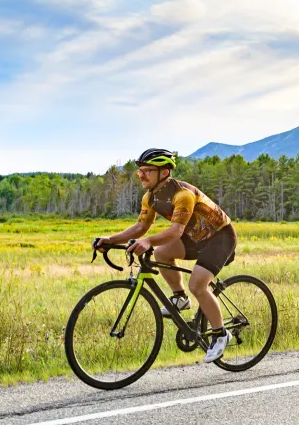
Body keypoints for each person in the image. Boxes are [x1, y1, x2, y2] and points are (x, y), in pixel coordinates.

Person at [94, 148, 237, 363]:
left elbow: (176, 231)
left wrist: (148, 241)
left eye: (148, 171)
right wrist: (111, 240)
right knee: (161, 253)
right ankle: (180, 298)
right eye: (140, 171)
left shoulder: (183, 195)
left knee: (198, 285)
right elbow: (141, 227)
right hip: (195, 237)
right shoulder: (150, 197)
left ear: (165, 172)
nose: (141, 175)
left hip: (220, 237)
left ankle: (220, 334)